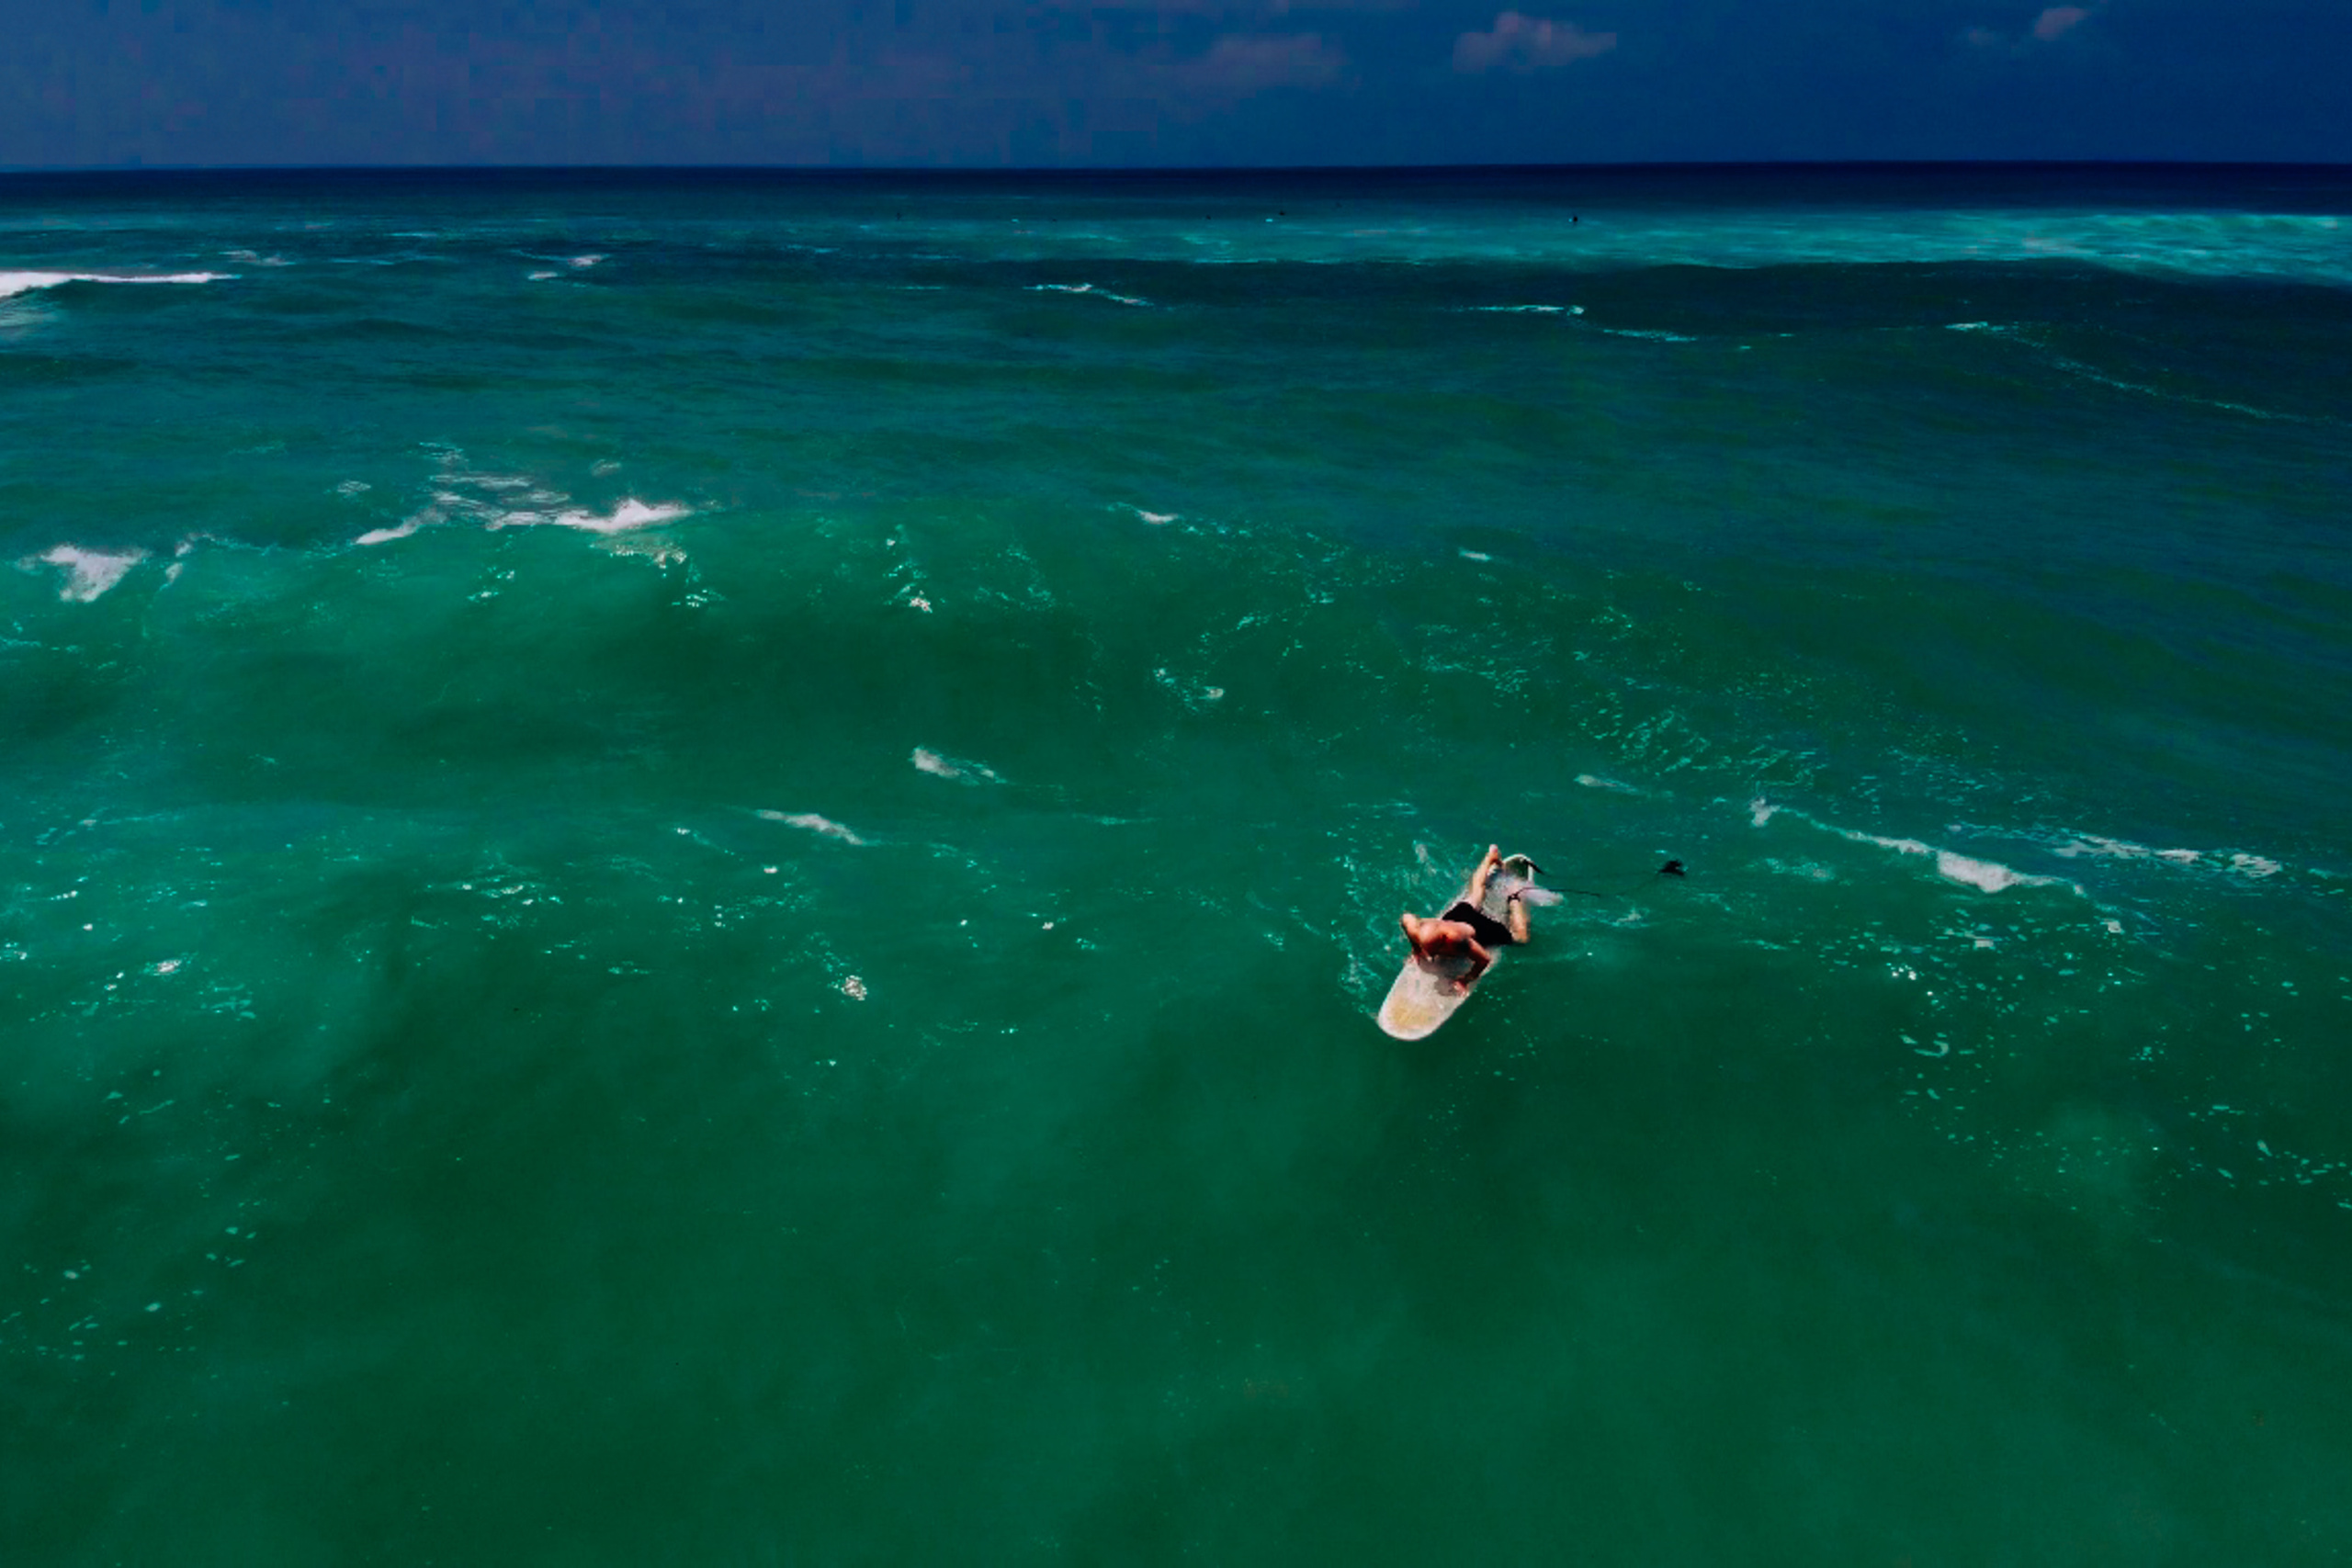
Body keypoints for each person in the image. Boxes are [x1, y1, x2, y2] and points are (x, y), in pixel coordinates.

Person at [1399, 844, 1532, 993]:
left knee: (1521, 938)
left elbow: (1484, 960)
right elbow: (1405, 918)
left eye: (1434, 949)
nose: (1430, 955)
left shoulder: (1457, 940)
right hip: (1456, 917)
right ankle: (1491, 857)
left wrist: (1465, 979)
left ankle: (1515, 896)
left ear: (1444, 940)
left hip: (1477, 927)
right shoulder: (1413, 927)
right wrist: (1417, 949)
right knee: (1475, 894)